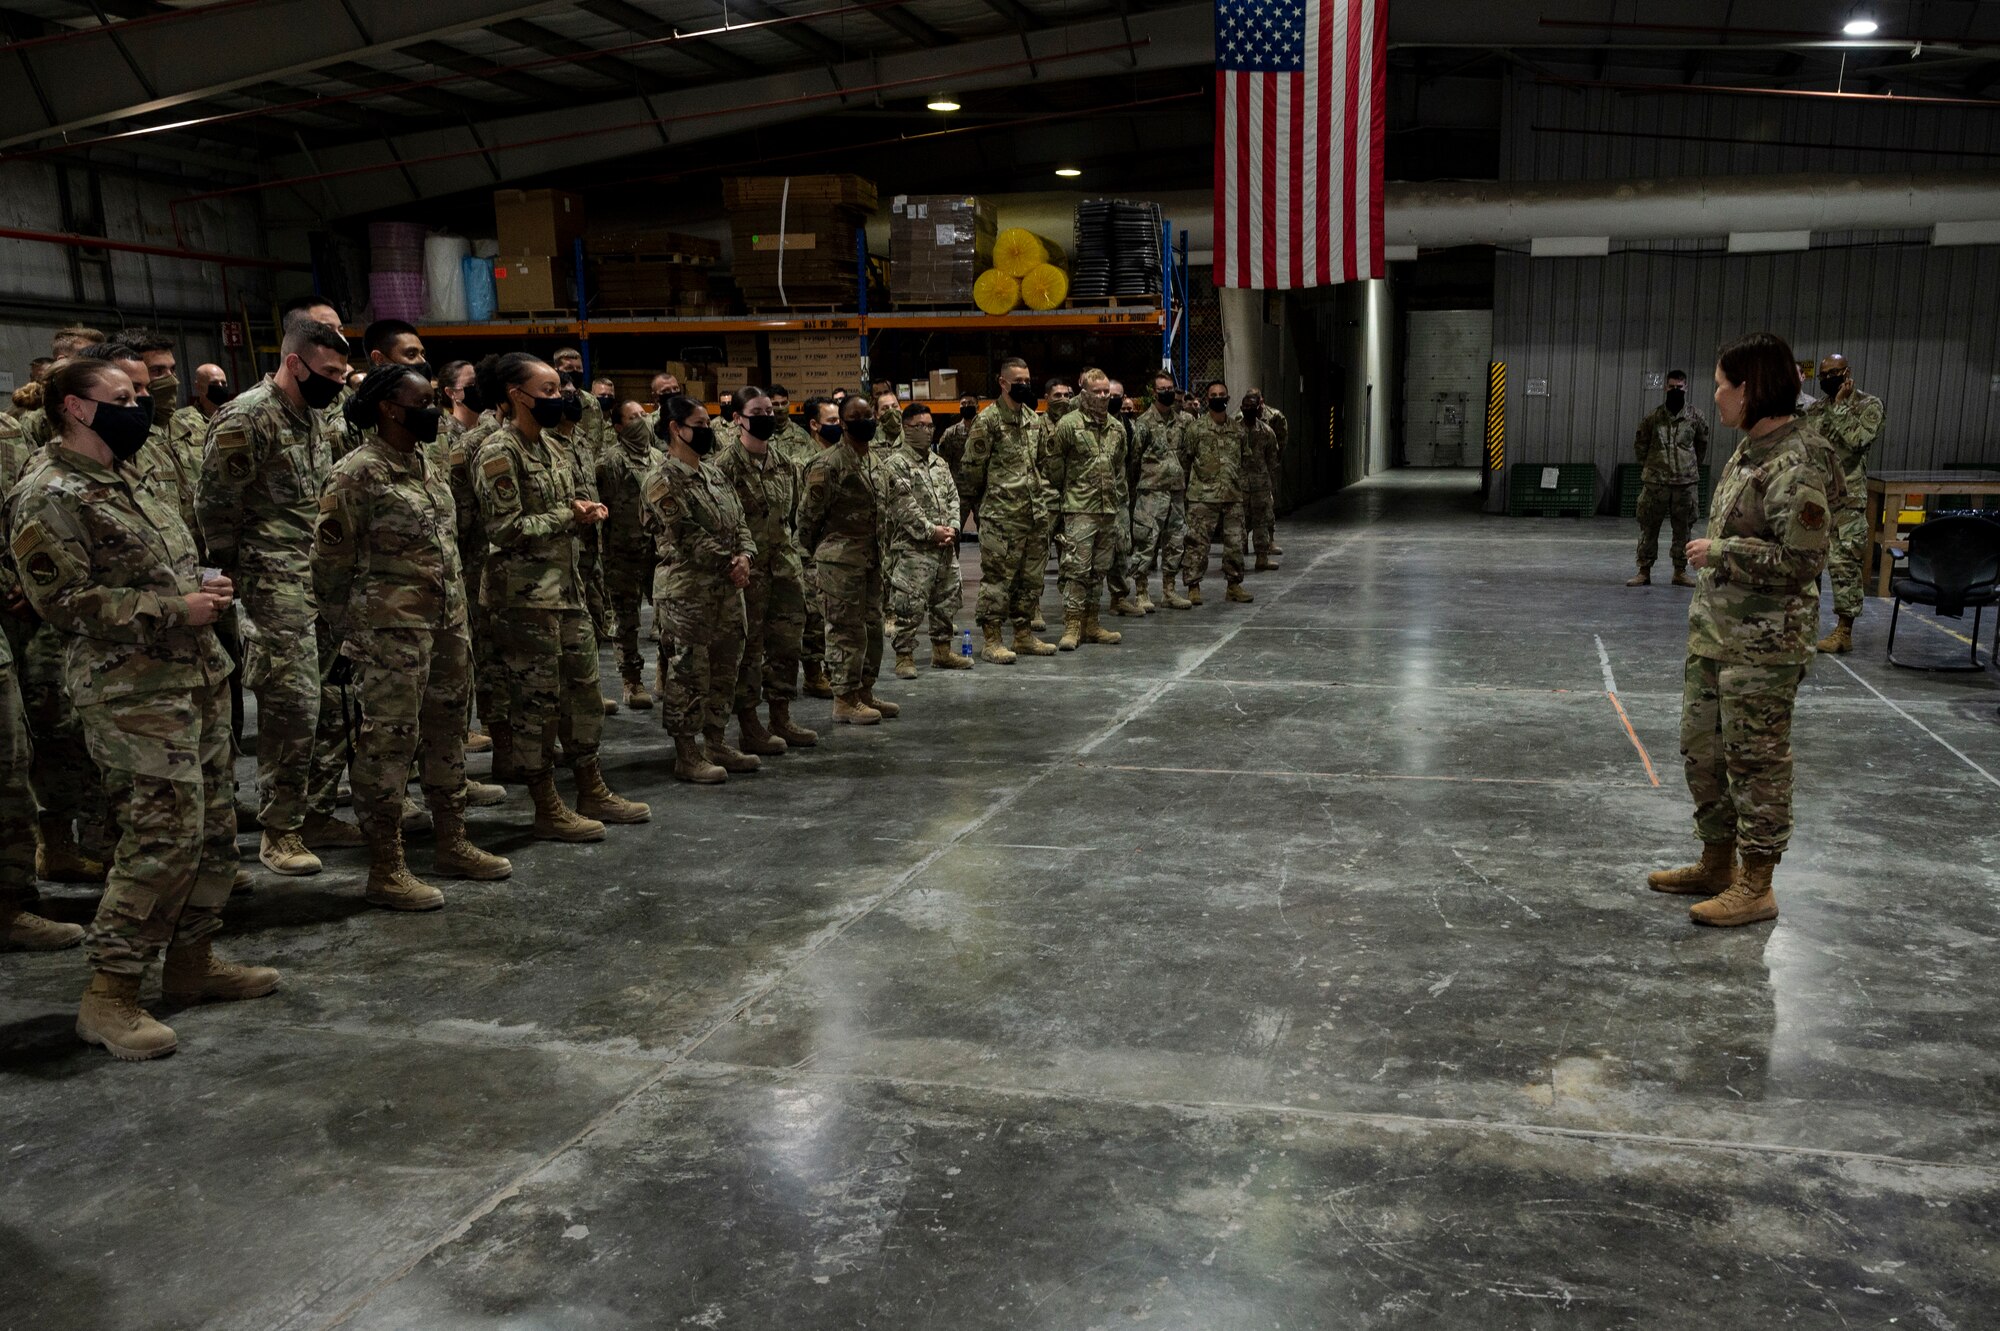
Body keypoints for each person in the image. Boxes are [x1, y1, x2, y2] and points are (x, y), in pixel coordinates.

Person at [16, 357, 276, 1059]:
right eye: (122, 397)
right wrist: (173, 607)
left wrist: (203, 594)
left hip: (194, 676)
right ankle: (110, 995)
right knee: (157, 839)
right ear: (74, 406)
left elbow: (160, 563)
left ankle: (192, 963)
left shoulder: (131, 476)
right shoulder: (48, 493)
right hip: (130, 691)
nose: (138, 406)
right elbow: (61, 603)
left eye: (139, 395)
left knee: (213, 829)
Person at [1649, 332, 1832, 929]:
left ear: (1751, 389)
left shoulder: (1795, 462)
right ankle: (1716, 862)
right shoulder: (1750, 448)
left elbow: (1804, 562)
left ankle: (1756, 884)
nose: (1717, 397)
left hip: (1763, 647)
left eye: (1724, 386)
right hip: (1718, 637)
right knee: (1703, 754)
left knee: (1756, 763)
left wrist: (1725, 552)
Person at [313, 365, 511, 911]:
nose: (434, 410)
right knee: (388, 744)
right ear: (389, 408)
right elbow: (329, 565)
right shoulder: (356, 474)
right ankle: (387, 866)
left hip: (445, 623)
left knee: (447, 732)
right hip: (388, 634)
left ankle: (452, 842)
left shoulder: (426, 463)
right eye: (422, 400)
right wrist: (354, 631)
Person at [197, 318, 359, 875]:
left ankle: (313, 811)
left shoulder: (311, 415)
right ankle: (279, 830)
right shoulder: (247, 418)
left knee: (332, 701)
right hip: (273, 585)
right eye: (329, 372)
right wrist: (237, 573)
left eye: (342, 373)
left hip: (319, 578)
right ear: (295, 363)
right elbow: (215, 506)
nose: (337, 383)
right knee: (292, 706)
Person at [472, 353, 648, 838]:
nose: (561, 398)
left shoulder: (553, 447)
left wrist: (581, 511)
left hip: (566, 592)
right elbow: (504, 529)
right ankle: (546, 804)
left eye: (560, 390)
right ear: (516, 395)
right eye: (548, 391)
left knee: (584, 693)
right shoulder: (497, 452)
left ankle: (591, 787)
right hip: (523, 601)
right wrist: (567, 516)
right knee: (536, 703)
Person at [645, 395, 756, 782]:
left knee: (726, 667)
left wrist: (746, 556)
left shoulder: (713, 474)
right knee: (688, 672)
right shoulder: (661, 479)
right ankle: (686, 751)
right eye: (700, 425)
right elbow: (686, 534)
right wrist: (732, 563)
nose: (708, 432)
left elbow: (740, 521)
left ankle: (716, 740)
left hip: (726, 591)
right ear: (676, 428)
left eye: (710, 425)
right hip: (686, 593)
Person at [713, 387, 817, 750]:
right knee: (750, 649)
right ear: (738, 418)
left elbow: (791, 517)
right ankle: (749, 724)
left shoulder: (785, 464)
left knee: (786, 643)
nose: (767, 417)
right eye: (757, 411)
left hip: (785, 568)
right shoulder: (724, 467)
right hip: (748, 572)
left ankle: (781, 716)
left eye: (770, 410)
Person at [797, 394, 900, 724]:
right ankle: (844, 698)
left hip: (871, 560)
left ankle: (864, 691)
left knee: (871, 629)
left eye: (869, 414)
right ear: (842, 423)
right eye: (857, 416)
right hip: (839, 563)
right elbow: (807, 520)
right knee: (845, 631)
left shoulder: (875, 462)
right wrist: (819, 559)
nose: (866, 421)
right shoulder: (827, 465)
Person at [962, 357, 1056, 662]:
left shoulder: (1034, 419)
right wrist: (982, 507)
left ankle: (1023, 634)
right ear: (1003, 383)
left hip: (1033, 514)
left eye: (1028, 380)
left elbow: (1040, 462)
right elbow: (972, 471)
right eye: (1018, 381)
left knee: (1030, 580)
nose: (1025, 386)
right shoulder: (987, 421)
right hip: (1000, 518)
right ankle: (992, 639)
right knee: (998, 580)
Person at [1804, 353, 1885, 654]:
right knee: (1809, 563)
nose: (1827, 379)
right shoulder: (1814, 410)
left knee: (1843, 566)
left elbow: (1857, 441)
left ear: (1847, 373)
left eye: (1834, 373)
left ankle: (1843, 632)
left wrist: (1839, 407)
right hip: (1815, 499)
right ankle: (1806, 624)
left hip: (1847, 500)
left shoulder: (1869, 406)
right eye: (1823, 375)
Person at [879, 403, 968, 677]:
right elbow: (903, 507)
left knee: (947, 600)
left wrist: (952, 527)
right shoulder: (895, 464)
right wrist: (932, 531)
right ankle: (904, 656)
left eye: (930, 426)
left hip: (944, 548)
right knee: (909, 603)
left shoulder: (939, 462)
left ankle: (942, 652)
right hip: (914, 549)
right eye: (920, 426)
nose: (927, 431)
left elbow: (953, 496)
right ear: (906, 428)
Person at [1047, 369, 1127, 651]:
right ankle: (1072, 626)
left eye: (1107, 391)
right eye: (1098, 391)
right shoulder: (1068, 425)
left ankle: (1092, 624)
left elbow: (1119, 466)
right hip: (1079, 508)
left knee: (1099, 571)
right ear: (1084, 394)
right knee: (1076, 570)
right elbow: (1054, 467)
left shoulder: (1117, 428)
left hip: (1107, 511)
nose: (1104, 396)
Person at [598, 400, 659, 709]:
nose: (641, 421)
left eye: (643, 416)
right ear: (619, 427)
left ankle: (665, 672)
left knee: (665, 616)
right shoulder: (611, 462)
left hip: (657, 551)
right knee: (627, 620)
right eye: (633, 418)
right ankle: (631, 681)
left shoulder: (659, 458)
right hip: (623, 552)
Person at [1627, 370, 1711, 588]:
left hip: (1685, 484)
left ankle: (1680, 572)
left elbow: (1701, 445)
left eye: (1679, 388)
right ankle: (1644, 571)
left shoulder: (1695, 417)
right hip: (1656, 483)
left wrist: (1689, 466)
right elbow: (1641, 445)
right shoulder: (1653, 418)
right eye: (1672, 387)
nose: (1676, 391)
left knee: (1683, 529)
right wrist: (1652, 467)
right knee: (1649, 527)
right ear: (1665, 388)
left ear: (1686, 388)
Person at [1180, 380, 1254, 606]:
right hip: (1202, 496)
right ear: (1207, 399)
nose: (1218, 397)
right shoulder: (1196, 429)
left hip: (1232, 495)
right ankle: (1193, 586)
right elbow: (1186, 459)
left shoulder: (1238, 430)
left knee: (1235, 542)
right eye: (1214, 394)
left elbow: (1244, 459)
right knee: (1197, 543)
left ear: (1228, 398)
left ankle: (1234, 585)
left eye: (1222, 394)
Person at [787, 397, 838, 698]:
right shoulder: (803, 461)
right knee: (814, 614)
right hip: (811, 550)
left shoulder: (840, 455)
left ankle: (834, 670)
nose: (838, 427)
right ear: (815, 425)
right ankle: (813, 672)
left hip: (836, 549)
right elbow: (799, 511)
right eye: (831, 422)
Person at [1129, 372, 1192, 610]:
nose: (1166, 392)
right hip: (1151, 492)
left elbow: (1187, 454)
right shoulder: (1143, 423)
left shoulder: (1183, 422)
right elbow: (1134, 459)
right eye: (1162, 388)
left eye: (1170, 388)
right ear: (1153, 392)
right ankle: (1142, 592)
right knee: (1146, 541)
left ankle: (1169, 590)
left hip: (1176, 491)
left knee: (1175, 541)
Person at [1238, 388, 1280, 572]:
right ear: (1241, 408)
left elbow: (1272, 460)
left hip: (1260, 486)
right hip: (1239, 485)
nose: (1249, 409)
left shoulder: (1267, 432)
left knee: (1261, 522)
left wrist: (1270, 485)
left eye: (1252, 406)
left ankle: (1262, 557)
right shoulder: (1234, 430)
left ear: (1258, 408)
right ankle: (1236, 559)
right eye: (1246, 406)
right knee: (1238, 523)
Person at [935, 394, 979, 529]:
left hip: (981, 491)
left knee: (988, 535)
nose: (966, 406)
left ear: (978, 406)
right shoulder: (951, 433)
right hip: (959, 492)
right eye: (963, 404)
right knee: (954, 531)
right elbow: (942, 462)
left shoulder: (986, 430)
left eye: (970, 403)